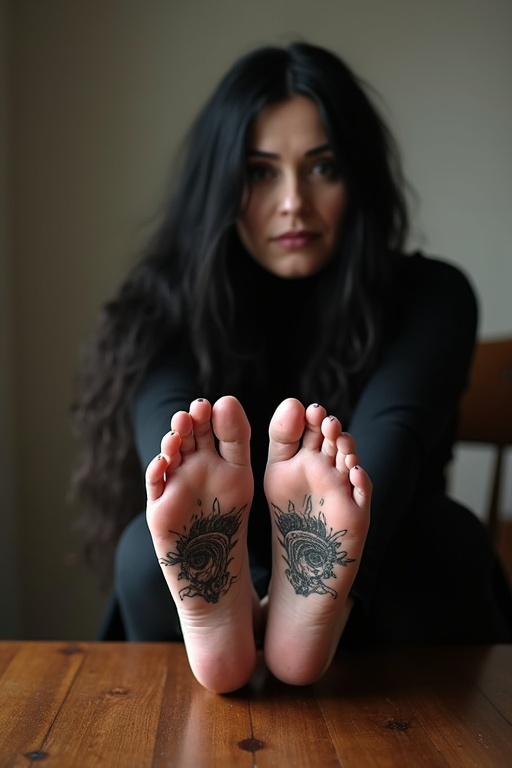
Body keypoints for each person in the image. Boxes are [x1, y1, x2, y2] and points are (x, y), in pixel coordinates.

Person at [71, 41, 512, 693]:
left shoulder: (431, 297)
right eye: (259, 172)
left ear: (358, 176)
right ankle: (239, 612)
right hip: (213, 617)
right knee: (146, 544)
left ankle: (311, 607)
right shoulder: (161, 307)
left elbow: (395, 437)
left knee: (438, 538)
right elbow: (171, 456)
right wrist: (251, 597)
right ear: (220, 184)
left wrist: (319, 595)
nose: (293, 203)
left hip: (386, 601)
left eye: (323, 167)